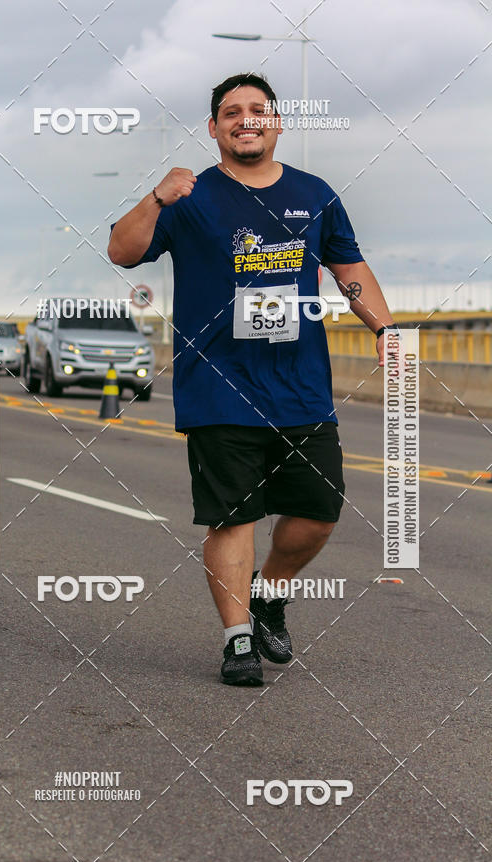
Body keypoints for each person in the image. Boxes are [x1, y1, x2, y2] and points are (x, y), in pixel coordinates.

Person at [108, 72, 397, 687]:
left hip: (301, 386)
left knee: (319, 512)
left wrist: (385, 331)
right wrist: (155, 198)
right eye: (231, 112)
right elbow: (122, 252)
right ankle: (237, 639)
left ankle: (271, 595)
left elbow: (349, 268)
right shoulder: (188, 197)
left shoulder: (315, 193)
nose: (246, 119)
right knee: (233, 517)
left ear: (277, 123)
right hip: (217, 385)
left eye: (257, 110)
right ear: (214, 128)